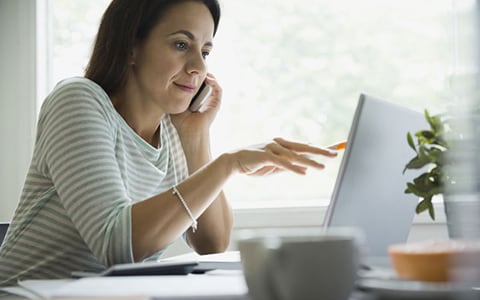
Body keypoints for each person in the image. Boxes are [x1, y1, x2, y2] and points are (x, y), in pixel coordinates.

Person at [0, 0, 339, 286]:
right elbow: (118, 245)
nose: (198, 66)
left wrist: (196, 138)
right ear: (131, 47)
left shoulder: (174, 129)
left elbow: (212, 243)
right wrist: (228, 163)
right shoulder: (77, 101)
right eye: (181, 45)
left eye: (205, 50)